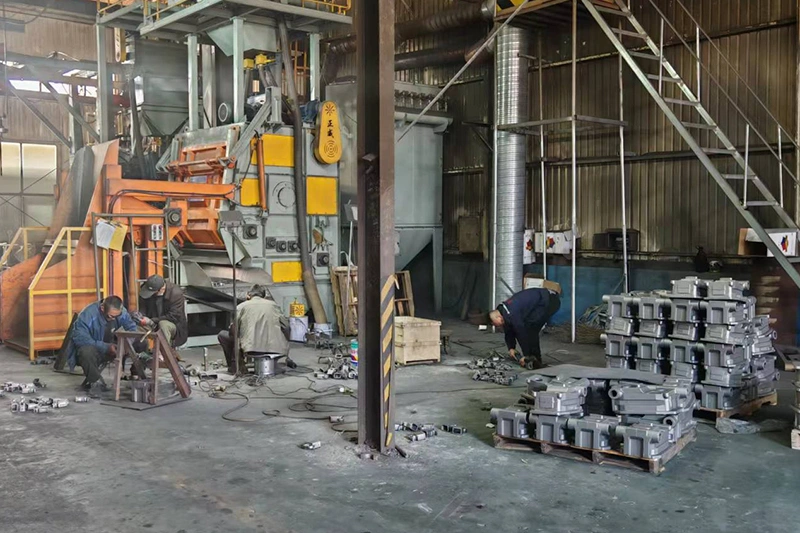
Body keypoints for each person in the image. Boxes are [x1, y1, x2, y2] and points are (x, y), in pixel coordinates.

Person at [66, 296, 138, 395]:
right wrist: (106, 347)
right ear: (102, 308)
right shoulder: (87, 315)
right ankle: (96, 382)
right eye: (110, 316)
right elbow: (80, 339)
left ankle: (137, 375)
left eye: (116, 316)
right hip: (95, 350)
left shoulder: (121, 312)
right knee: (85, 352)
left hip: (113, 347)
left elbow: (132, 329)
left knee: (142, 342)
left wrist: (125, 345)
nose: (113, 319)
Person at [218, 285, 292, 374]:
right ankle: (273, 364)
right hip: (276, 349)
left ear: (248, 295)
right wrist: (286, 344)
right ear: (264, 296)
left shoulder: (241, 306)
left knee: (223, 335)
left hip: (250, 349)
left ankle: (236, 367)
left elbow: (233, 331)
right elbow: (286, 327)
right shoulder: (274, 305)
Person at [488, 286, 561, 369]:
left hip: (550, 300)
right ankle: (534, 359)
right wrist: (511, 348)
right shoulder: (505, 311)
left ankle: (534, 360)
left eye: (494, 324)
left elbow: (521, 333)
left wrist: (526, 355)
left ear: (498, 317)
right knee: (528, 328)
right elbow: (508, 329)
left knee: (530, 329)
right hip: (542, 300)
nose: (497, 326)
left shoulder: (511, 312)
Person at [138, 275, 188, 348]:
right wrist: (141, 316)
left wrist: (152, 320)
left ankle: (162, 354)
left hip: (173, 325)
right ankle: (140, 353)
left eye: (153, 293)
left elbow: (173, 316)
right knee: (134, 326)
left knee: (163, 324)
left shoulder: (176, 293)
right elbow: (143, 305)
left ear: (161, 289)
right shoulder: (146, 288)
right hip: (152, 322)